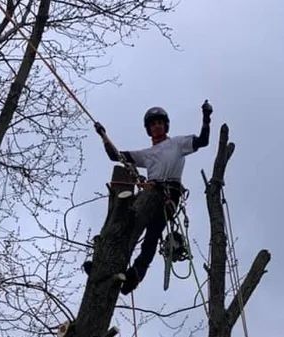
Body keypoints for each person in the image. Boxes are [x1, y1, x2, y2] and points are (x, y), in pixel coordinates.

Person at [86, 101, 212, 293]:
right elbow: (117, 156)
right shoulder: (147, 154)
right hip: (150, 193)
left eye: (160, 123)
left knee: (151, 237)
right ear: (148, 129)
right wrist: (103, 136)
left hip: (167, 195)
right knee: (123, 224)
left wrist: (206, 118)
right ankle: (104, 265)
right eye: (153, 124)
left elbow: (203, 141)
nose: (157, 126)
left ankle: (135, 274)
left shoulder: (177, 144)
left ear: (165, 125)